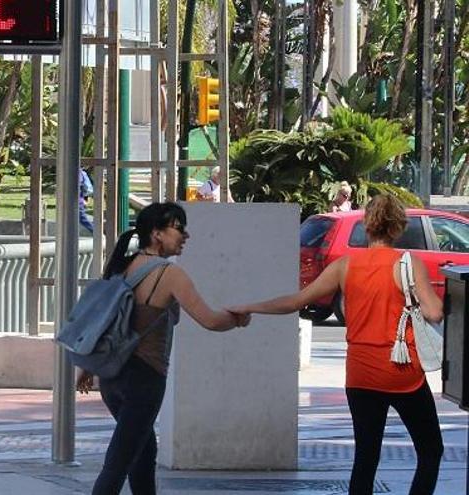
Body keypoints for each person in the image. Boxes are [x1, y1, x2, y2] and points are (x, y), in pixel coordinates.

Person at [228, 194, 443, 495]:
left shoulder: (345, 266)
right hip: (402, 373)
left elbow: (296, 301)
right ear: (399, 227)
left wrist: (250, 306)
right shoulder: (409, 264)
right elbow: (434, 312)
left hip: (360, 375)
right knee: (430, 451)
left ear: (368, 225)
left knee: (366, 458)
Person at [77, 202, 250, 495]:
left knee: (143, 452)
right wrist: (238, 317)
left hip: (111, 378)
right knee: (118, 462)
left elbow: (104, 322)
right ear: (157, 234)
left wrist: (86, 368)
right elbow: (209, 320)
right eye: (178, 228)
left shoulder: (122, 265)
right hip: (144, 378)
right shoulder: (168, 274)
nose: (185, 235)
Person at [79, 168, 94, 233]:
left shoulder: (77, 173)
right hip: (80, 200)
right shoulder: (82, 172)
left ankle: (97, 233)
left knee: (82, 218)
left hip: (77, 200)